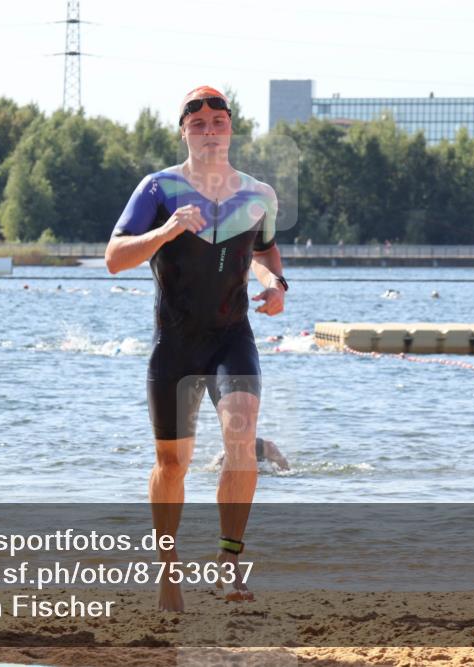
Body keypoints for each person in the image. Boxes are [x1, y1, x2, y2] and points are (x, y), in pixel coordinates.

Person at [104, 85, 286, 611]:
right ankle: (168, 572)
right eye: (199, 123)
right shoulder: (157, 189)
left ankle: (230, 564)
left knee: (242, 430)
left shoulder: (259, 195)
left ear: (231, 127)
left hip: (233, 336)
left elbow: (267, 254)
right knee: (172, 463)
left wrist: (275, 287)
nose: (210, 131)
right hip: (175, 343)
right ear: (183, 131)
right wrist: (165, 230)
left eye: (219, 121)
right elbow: (115, 258)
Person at [214, 437, 290, 472]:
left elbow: (287, 470)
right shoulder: (230, 452)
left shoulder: (267, 447)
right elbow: (214, 468)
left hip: (262, 448)